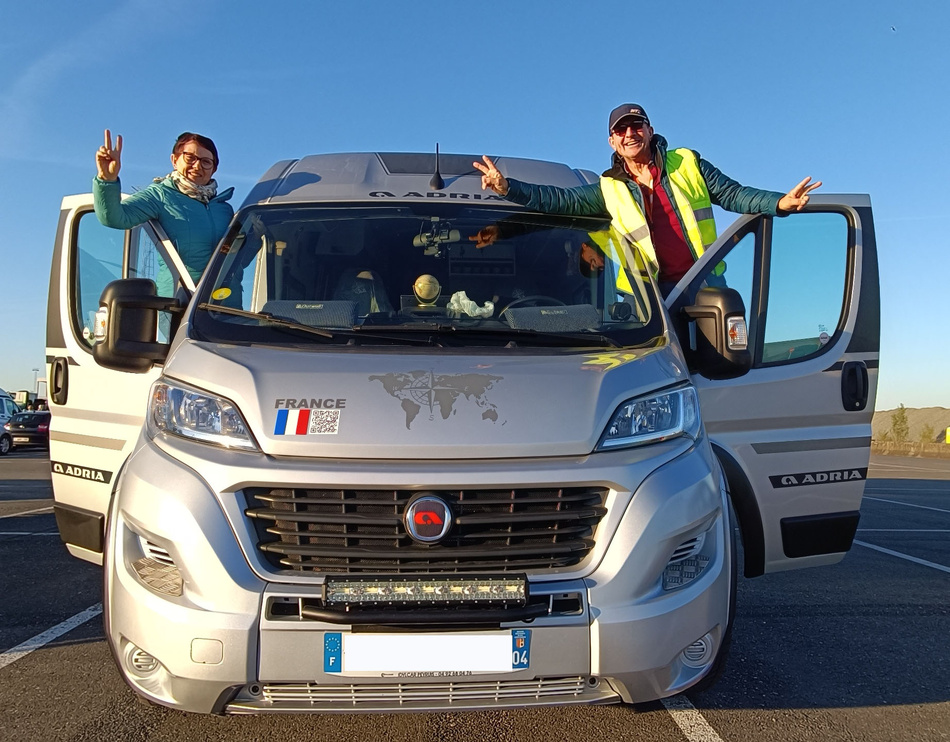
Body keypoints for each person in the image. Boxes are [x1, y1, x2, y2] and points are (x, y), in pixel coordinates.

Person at [474, 103, 821, 296]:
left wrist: (779, 203)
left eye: (636, 126)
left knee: (720, 375)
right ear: (612, 142)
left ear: (650, 130)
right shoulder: (607, 188)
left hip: (704, 285)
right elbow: (555, 201)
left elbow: (734, 194)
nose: (630, 134)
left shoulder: (688, 162)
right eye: (621, 130)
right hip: (649, 301)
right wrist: (509, 188)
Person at [93, 129, 234, 297]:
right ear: (174, 160)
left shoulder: (224, 209)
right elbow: (115, 218)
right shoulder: (160, 195)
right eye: (190, 157)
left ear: (214, 169)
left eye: (205, 162)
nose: (197, 166)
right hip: (179, 303)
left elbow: (237, 261)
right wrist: (106, 181)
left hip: (225, 306)